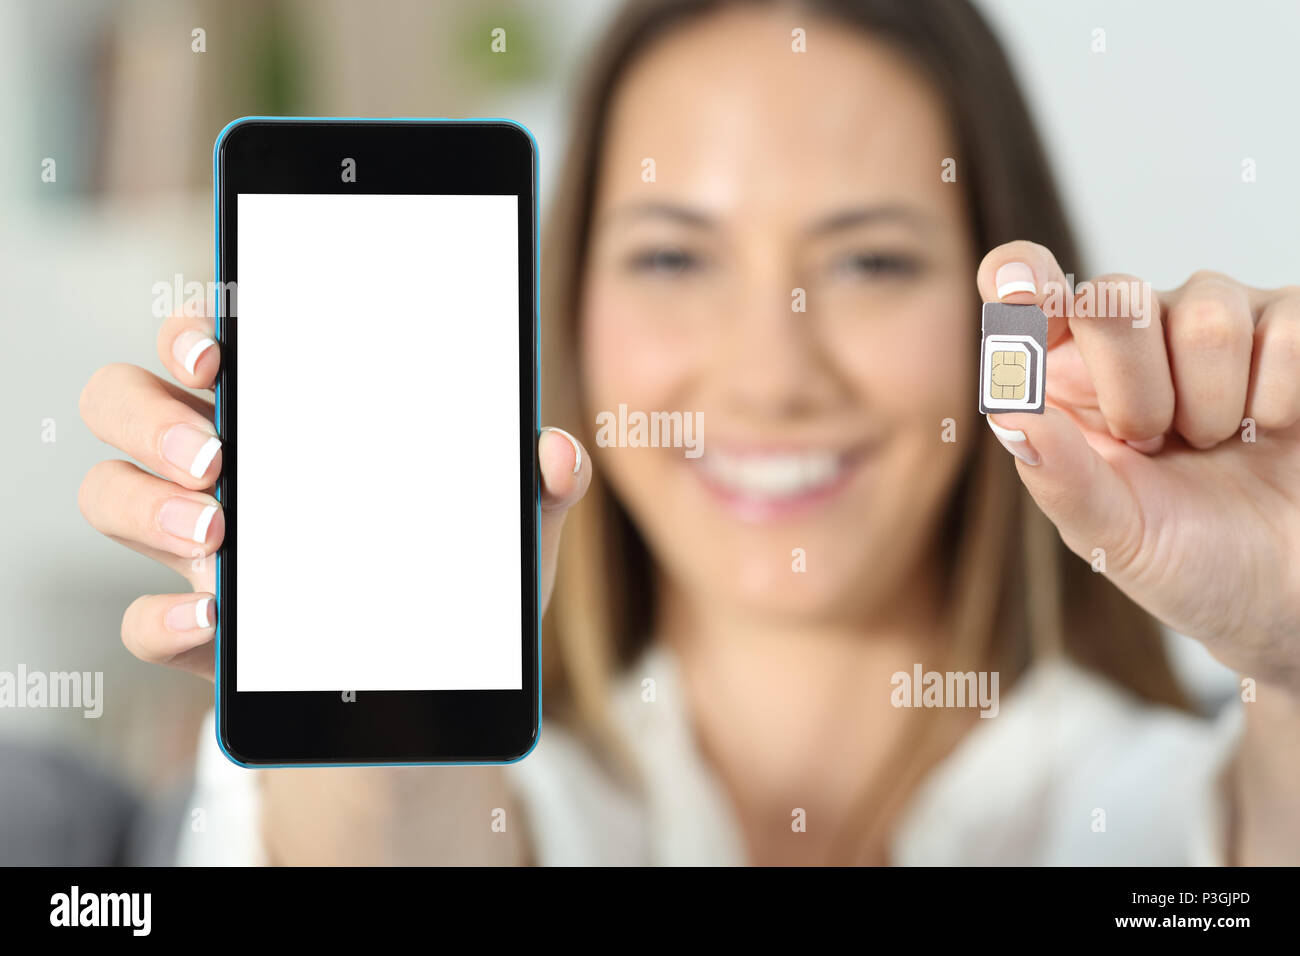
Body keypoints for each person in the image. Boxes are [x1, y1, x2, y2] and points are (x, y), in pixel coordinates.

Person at [77, 0, 1300, 865]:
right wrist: (363, 700)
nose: (771, 371)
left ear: (1005, 322)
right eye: (672, 254)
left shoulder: (1141, 812)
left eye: (870, 259)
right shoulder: (530, 798)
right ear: (567, 308)